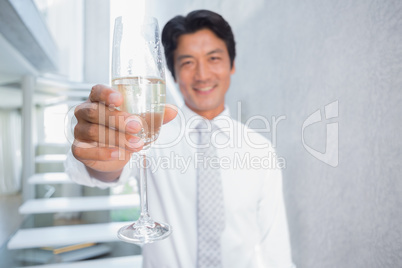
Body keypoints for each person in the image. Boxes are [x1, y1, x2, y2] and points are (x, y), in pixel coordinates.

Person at [65, 9, 295, 268]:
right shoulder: (151, 133)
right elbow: (103, 171)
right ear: (172, 74)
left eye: (214, 58)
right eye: (187, 62)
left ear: (231, 65)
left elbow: (275, 248)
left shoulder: (261, 150)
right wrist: (97, 154)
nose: (202, 74)